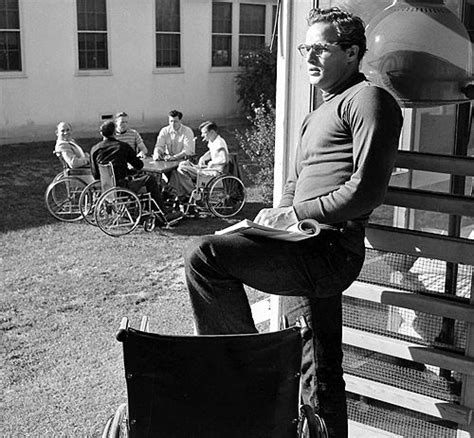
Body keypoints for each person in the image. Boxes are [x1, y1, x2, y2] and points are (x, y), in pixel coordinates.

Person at [183, 7, 402, 438]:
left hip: (329, 250)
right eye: (306, 47)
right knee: (318, 369)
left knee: (204, 257)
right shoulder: (315, 114)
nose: (309, 56)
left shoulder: (369, 100)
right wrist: (273, 218)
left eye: (321, 48)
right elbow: (294, 182)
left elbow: (367, 191)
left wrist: (296, 215)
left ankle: (246, 383)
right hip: (297, 242)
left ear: (353, 52)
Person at [90, 120, 179, 220]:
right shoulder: (122, 146)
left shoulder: (94, 149)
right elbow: (139, 165)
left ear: (101, 133)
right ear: (115, 132)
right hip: (123, 187)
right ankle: (162, 213)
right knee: (150, 179)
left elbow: (95, 174)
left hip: (106, 187)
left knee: (136, 176)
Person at [169, 121, 228, 200]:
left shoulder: (219, 143)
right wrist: (203, 158)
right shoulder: (213, 141)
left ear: (212, 132)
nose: (202, 135)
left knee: (182, 169)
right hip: (208, 169)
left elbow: (225, 159)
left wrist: (212, 163)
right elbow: (211, 152)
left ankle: (193, 193)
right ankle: (184, 193)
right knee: (183, 163)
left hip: (214, 172)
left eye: (204, 133)